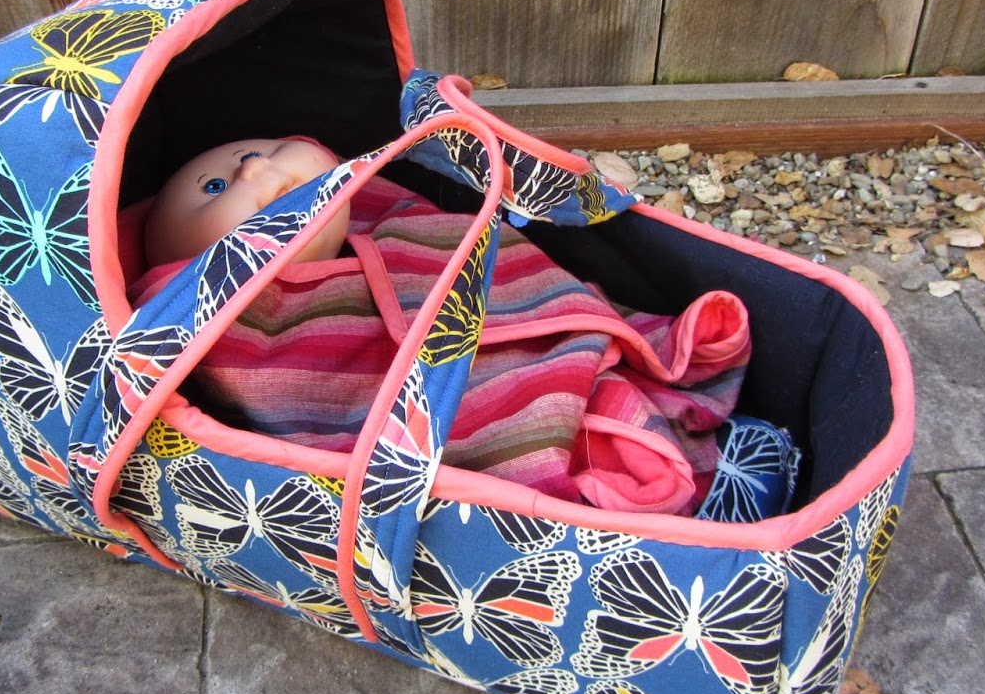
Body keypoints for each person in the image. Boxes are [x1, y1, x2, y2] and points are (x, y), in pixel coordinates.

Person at [134, 137, 756, 518]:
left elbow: (488, 254)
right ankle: (629, 457)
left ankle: (634, 396)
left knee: (601, 379)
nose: (252, 166)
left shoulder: (379, 208)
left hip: (550, 334)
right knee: (586, 431)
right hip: (472, 405)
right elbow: (319, 397)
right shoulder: (233, 321)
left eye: (258, 148)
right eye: (215, 186)